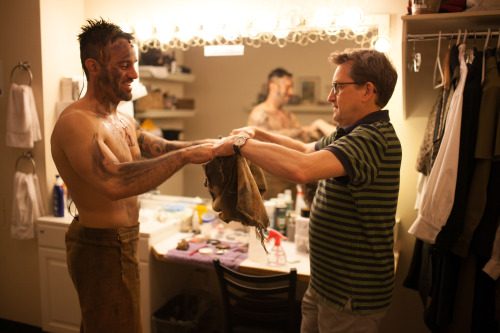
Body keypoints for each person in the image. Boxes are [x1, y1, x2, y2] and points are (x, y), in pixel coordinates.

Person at [213, 48, 401, 333]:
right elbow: (302, 149)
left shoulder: (373, 138)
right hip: (325, 284)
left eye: (338, 87)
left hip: (351, 296)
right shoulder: (347, 133)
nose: (330, 96)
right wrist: (255, 132)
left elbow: (302, 167)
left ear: (367, 91)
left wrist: (240, 145)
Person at [50, 18, 214, 332]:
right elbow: (115, 181)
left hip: (123, 242)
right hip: (100, 247)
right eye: (124, 65)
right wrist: (185, 156)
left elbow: (160, 148)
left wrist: (214, 145)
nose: (134, 74)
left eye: (134, 63)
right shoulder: (77, 122)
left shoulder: (122, 119)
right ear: (93, 66)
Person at [248, 68, 336, 199]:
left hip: (289, 177)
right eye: (288, 87)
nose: (291, 92)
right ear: (273, 85)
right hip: (268, 181)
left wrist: (320, 128)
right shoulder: (259, 113)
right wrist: (300, 130)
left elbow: (303, 139)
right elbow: (264, 138)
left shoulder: (288, 115)